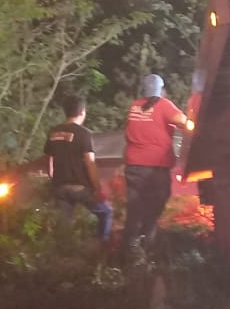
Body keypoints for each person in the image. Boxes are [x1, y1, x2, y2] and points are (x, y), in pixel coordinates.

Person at [121, 74, 188, 249]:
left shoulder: (134, 106)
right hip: (155, 168)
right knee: (153, 209)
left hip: (133, 166)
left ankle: (127, 251)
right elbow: (185, 123)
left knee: (134, 210)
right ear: (161, 90)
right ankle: (146, 248)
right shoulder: (164, 105)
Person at [42, 95, 113, 241]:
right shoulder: (83, 134)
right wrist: (97, 188)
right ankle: (102, 246)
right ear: (82, 112)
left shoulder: (53, 132)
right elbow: (90, 163)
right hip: (80, 188)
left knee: (65, 226)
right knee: (105, 212)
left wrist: (53, 179)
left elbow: (48, 160)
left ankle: (63, 255)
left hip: (59, 187)